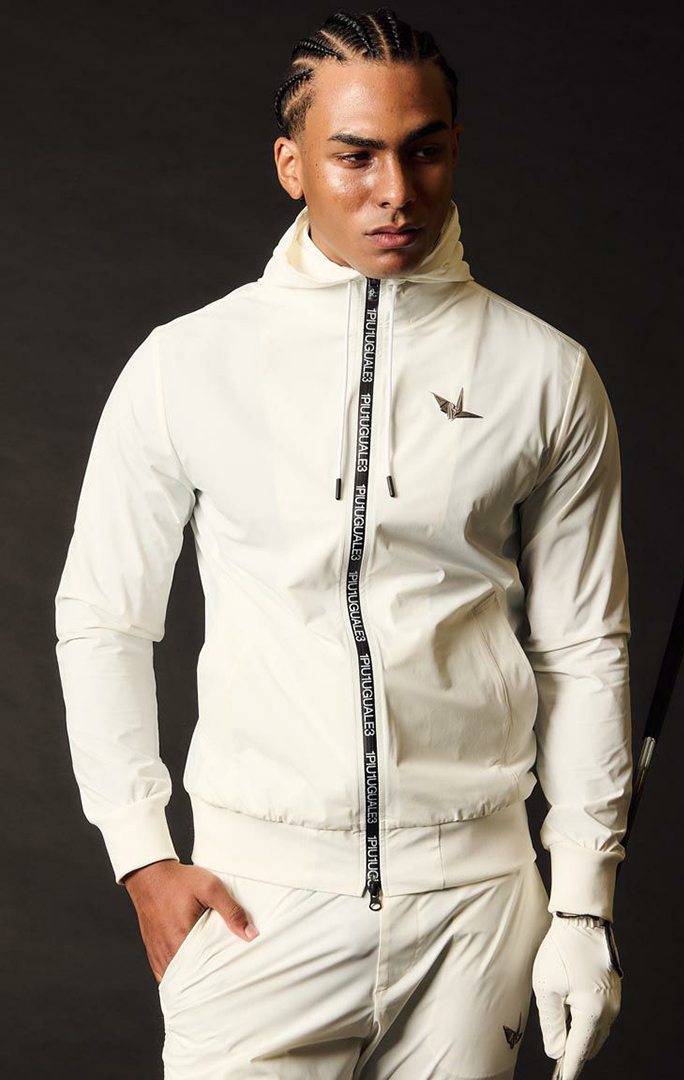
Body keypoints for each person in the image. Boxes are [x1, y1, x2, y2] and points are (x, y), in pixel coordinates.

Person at [53, 8, 631, 1079]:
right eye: (355, 155)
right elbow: (103, 617)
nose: (395, 191)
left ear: (455, 148)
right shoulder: (186, 363)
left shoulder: (547, 374)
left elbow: (585, 647)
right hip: (258, 902)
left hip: (478, 907)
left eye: (425, 150)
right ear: (292, 165)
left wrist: (584, 905)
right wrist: (141, 855)